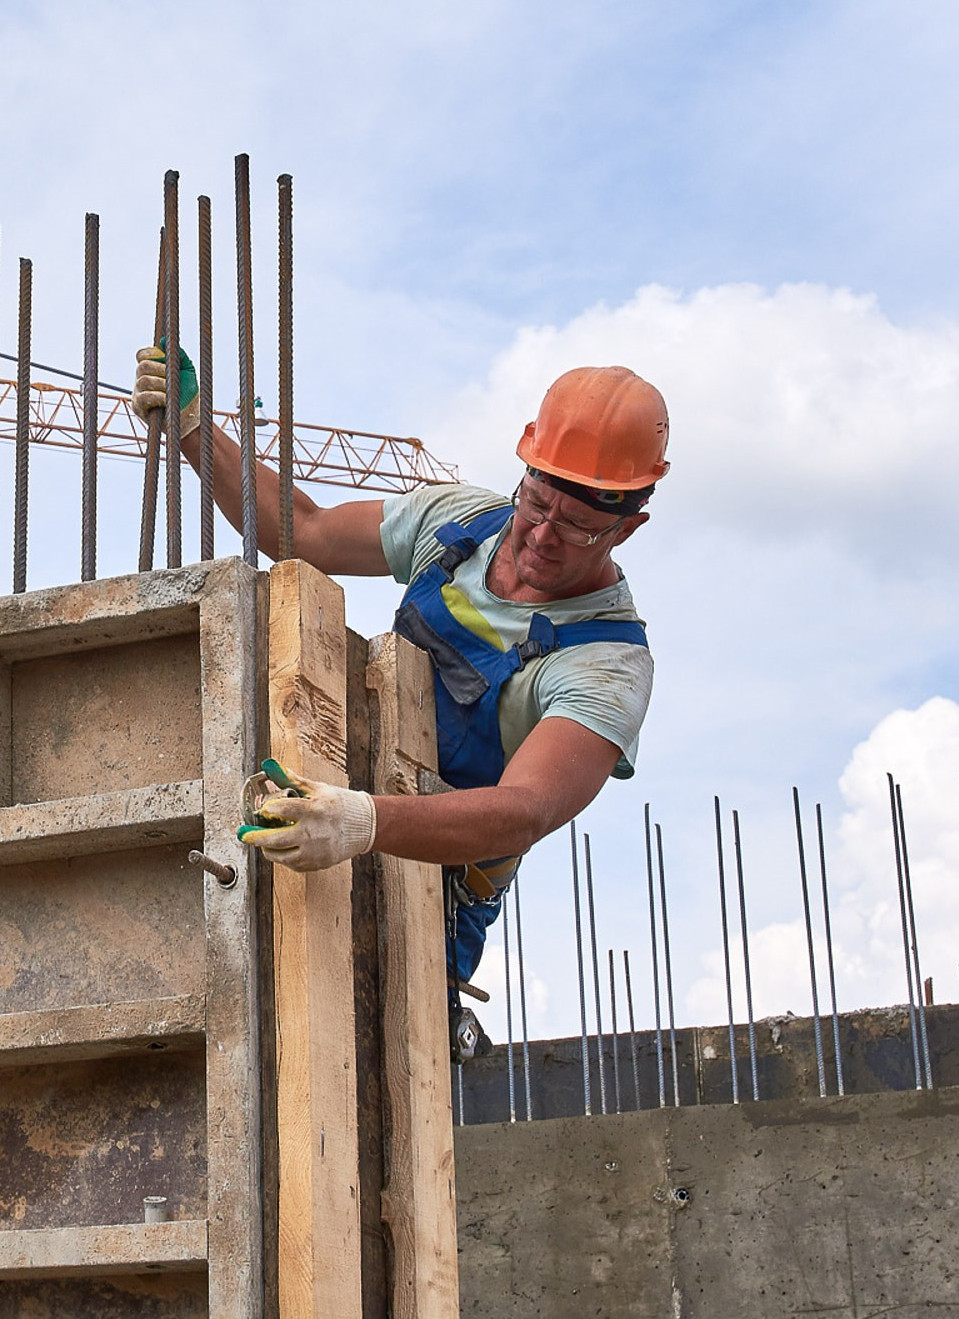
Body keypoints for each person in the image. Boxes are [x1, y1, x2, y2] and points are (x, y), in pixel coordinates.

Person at [138, 354, 664, 1059]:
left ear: (627, 528)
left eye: (576, 528)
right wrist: (195, 430)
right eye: (536, 505)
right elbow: (303, 530)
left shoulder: (607, 661)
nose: (541, 537)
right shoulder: (460, 523)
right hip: (327, 815)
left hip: (431, 897)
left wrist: (362, 820)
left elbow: (526, 809)